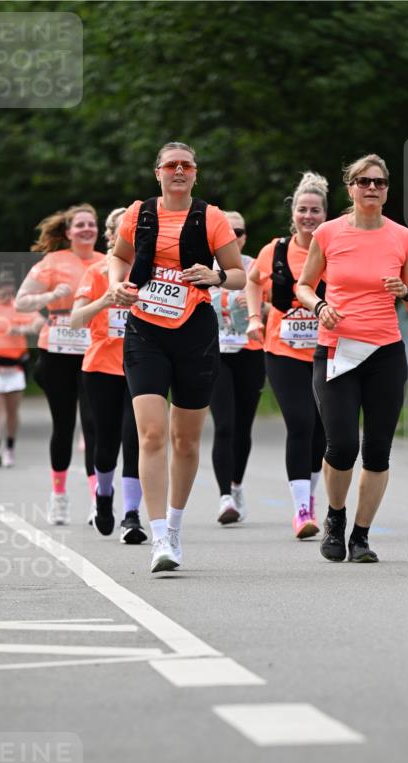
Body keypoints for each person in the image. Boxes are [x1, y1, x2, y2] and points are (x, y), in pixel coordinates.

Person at [108, 141, 246, 572]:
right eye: (171, 166)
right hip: (145, 331)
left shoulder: (212, 217)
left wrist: (215, 276)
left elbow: (239, 275)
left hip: (194, 333)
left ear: (195, 173)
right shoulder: (139, 214)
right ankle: (159, 537)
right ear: (158, 173)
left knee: (185, 441)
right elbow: (119, 257)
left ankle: (175, 525)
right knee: (152, 435)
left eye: (186, 165)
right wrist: (117, 284)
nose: (179, 171)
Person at [297, 153, 408, 563]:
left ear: (387, 190)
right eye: (364, 181)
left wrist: (405, 293)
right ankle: (335, 517)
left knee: (378, 449)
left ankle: (361, 536)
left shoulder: (403, 238)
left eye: (380, 182)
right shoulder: (328, 233)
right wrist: (319, 306)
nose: (372, 188)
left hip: (385, 353)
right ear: (350, 187)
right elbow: (303, 285)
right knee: (341, 445)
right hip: (337, 350)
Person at [246, 173, 328, 539]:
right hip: (282, 351)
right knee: (300, 423)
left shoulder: (334, 249)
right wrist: (254, 318)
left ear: (325, 214)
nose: (308, 216)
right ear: (293, 213)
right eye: (302, 210)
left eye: (315, 210)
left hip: (327, 352)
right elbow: (252, 281)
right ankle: (301, 511)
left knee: (323, 432)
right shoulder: (274, 251)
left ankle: (309, 497)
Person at [15, 204, 103, 525]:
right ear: (68, 232)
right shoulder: (52, 262)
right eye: (79, 225)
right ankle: (59, 495)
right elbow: (21, 301)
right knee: (63, 425)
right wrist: (50, 295)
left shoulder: (106, 262)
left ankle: (98, 499)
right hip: (56, 351)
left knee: (93, 425)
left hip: (94, 350)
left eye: (91, 224)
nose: (86, 229)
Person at [71, 207, 147, 544]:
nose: (130, 237)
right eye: (123, 231)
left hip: (142, 366)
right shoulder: (97, 272)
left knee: (136, 439)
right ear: (111, 236)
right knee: (106, 441)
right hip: (101, 368)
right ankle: (103, 494)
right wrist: (105, 300)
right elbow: (76, 319)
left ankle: (131, 515)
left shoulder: (151, 272)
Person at [209, 211, 265, 524]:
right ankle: (224, 498)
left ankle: (236, 484)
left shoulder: (256, 266)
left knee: (243, 427)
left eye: (239, 232)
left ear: (245, 237)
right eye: (227, 232)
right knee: (224, 425)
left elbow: (277, 306)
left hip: (250, 352)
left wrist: (258, 308)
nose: (234, 237)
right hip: (215, 354)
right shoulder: (204, 268)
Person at [0, 272, 43, 467]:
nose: (4, 293)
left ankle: (10, 448)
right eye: (0, 289)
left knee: (12, 409)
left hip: (14, 363)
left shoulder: (19, 306)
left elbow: (39, 323)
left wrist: (22, 329)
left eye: (8, 289)